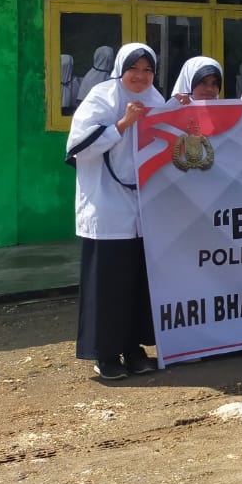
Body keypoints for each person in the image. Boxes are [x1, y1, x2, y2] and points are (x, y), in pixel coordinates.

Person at [65, 42, 164, 380]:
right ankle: (105, 354)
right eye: (134, 69)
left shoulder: (156, 98)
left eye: (147, 70)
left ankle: (135, 349)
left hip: (143, 211)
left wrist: (182, 111)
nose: (140, 76)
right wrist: (122, 124)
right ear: (121, 69)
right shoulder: (102, 96)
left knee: (138, 284)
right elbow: (79, 147)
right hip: (107, 208)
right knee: (108, 285)